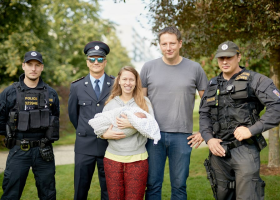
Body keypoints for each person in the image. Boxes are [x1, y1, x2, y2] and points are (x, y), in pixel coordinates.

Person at [199, 41, 280, 200]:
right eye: (221, 58)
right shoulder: (212, 84)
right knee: (222, 196)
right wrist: (209, 139)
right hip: (218, 152)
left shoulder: (256, 80)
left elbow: (277, 106)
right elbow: (204, 115)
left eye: (229, 57)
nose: (224, 61)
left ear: (239, 56)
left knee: (247, 197)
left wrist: (251, 130)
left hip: (245, 150)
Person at [140, 26, 208, 200]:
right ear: (160, 45)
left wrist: (204, 131)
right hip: (153, 135)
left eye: (172, 43)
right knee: (153, 185)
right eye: (164, 44)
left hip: (182, 137)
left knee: (179, 186)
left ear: (180, 44)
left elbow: (208, 104)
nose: (168, 47)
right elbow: (140, 103)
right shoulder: (148, 67)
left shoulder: (195, 68)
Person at [89, 66, 159, 200]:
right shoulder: (110, 104)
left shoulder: (144, 102)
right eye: (125, 79)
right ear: (119, 81)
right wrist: (104, 135)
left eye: (131, 79)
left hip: (137, 160)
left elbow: (151, 127)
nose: (128, 83)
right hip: (112, 159)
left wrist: (132, 124)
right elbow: (101, 126)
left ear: (136, 82)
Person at [68, 41, 125, 200]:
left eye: (100, 59)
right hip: (84, 145)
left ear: (105, 62)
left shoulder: (115, 84)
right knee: (80, 189)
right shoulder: (77, 87)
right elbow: (74, 115)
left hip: (109, 146)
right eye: (92, 59)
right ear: (87, 62)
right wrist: (85, 130)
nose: (96, 62)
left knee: (109, 190)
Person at [0, 51, 60, 200]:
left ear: (42, 68)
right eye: (30, 64)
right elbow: (0, 120)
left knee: (48, 194)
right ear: (23, 66)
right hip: (18, 150)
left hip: (44, 150)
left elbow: (55, 117)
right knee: (10, 194)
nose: (33, 68)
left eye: (37, 65)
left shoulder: (51, 94)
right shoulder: (9, 92)